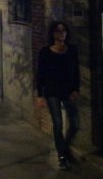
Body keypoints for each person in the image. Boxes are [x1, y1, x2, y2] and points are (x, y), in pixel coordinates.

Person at [36, 21, 80, 171]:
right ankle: (62, 157)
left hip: (68, 91)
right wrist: (39, 95)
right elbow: (40, 74)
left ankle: (65, 147)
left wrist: (76, 89)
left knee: (75, 124)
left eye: (63, 31)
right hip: (52, 91)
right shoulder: (45, 52)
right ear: (53, 33)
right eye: (58, 31)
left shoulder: (72, 50)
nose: (61, 34)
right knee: (58, 124)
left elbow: (76, 71)